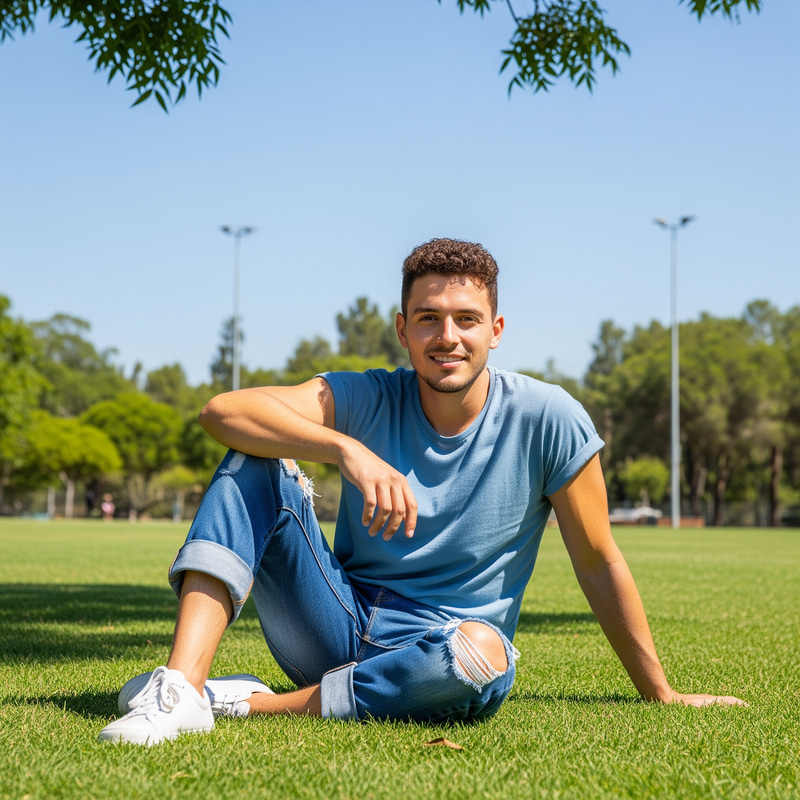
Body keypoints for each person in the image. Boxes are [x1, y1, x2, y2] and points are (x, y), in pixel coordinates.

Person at [99, 238, 744, 745]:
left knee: (483, 658)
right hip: (335, 619)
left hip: (439, 653)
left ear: (496, 328)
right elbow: (222, 411)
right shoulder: (367, 395)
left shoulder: (549, 418)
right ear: (403, 328)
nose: (447, 337)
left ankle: (248, 704)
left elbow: (599, 559)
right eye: (428, 318)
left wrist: (659, 692)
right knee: (254, 460)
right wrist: (344, 449)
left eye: (466, 319)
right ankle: (181, 690)